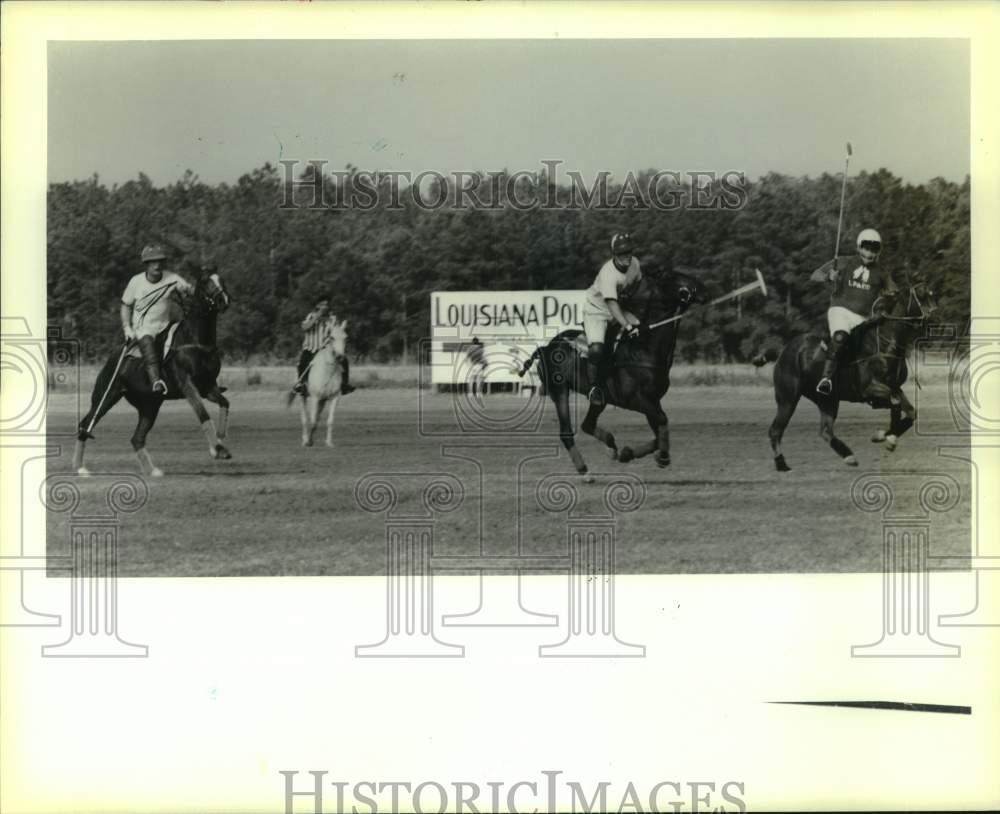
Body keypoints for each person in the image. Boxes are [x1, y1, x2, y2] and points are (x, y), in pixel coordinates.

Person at [810, 228, 899, 396]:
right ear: (859, 247)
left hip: (863, 318)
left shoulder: (881, 272)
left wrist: (889, 298)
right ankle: (826, 379)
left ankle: (873, 382)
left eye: (874, 250)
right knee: (840, 336)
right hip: (840, 311)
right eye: (866, 248)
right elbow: (815, 274)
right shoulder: (844, 262)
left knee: (878, 347)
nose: (869, 253)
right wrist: (829, 276)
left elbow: (894, 291)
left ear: (878, 252)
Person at [120, 244, 194, 395]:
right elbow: (125, 306)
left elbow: (189, 290)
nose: (157, 265)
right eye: (153, 262)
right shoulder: (136, 282)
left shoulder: (172, 278)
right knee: (147, 344)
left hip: (165, 327)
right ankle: (156, 382)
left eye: (160, 261)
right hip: (143, 328)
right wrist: (127, 327)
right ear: (146, 265)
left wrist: (187, 290)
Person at [582, 232, 644, 406]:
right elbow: (612, 306)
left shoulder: (635, 264)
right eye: (621, 253)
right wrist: (628, 326)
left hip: (620, 308)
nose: (626, 257)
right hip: (597, 311)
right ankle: (594, 388)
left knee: (644, 331)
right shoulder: (608, 274)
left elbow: (638, 283)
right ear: (614, 254)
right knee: (596, 350)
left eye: (629, 252)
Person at [293, 297, 355, 396]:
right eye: (322, 305)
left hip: (326, 349)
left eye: (326, 305)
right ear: (318, 306)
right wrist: (316, 317)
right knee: (303, 361)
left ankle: (344, 384)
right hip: (311, 348)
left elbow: (337, 331)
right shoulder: (311, 316)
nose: (325, 307)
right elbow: (304, 327)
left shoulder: (332, 319)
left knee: (344, 360)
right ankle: (301, 384)